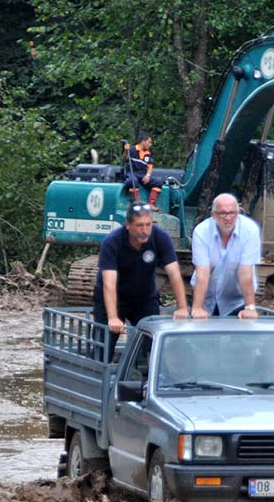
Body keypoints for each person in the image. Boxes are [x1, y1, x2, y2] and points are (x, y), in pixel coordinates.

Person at [92, 203, 189, 354]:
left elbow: (174, 273)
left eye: (148, 225)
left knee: (152, 345)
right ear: (127, 225)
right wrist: (113, 317)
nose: (144, 230)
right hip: (113, 298)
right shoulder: (112, 241)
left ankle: (148, 367)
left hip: (144, 297)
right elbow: (109, 283)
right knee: (103, 347)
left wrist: (182, 308)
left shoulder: (160, 237)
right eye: (139, 225)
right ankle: (99, 365)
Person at [190, 193, 261, 319]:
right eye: (223, 213)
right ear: (213, 215)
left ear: (238, 212)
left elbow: (245, 272)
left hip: (237, 299)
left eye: (232, 213)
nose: (228, 218)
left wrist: (249, 308)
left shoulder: (250, 230)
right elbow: (202, 273)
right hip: (207, 297)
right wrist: (197, 308)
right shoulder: (201, 231)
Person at [124, 132, 162, 209]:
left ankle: (151, 204)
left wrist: (148, 176)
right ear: (143, 141)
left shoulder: (148, 153)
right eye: (149, 142)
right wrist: (126, 151)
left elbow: (150, 167)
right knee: (132, 181)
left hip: (142, 174)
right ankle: (136, 203)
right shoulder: (132, 149)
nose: (150, 144)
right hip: (132, 173)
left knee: (158, 183)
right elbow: (125, 159)